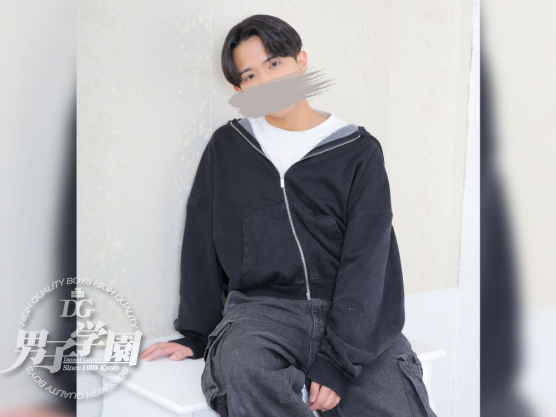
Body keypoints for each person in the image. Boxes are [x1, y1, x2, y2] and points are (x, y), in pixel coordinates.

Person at [139, 14, 437, 417]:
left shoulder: (357, 150)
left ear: (301, 62)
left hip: (351, 315)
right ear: (239, 90)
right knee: (242, 369)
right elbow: (201, 241)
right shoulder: (229, 148)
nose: (267, 82)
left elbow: (369, 259)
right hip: (261, 314)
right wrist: (197, 333)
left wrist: (340, 361)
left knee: (396, 398)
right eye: (251, 75)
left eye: (275, 64)